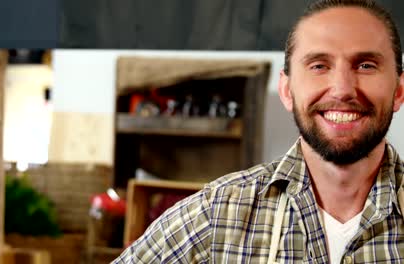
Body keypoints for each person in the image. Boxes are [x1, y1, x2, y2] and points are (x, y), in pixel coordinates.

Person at [113, 0, 404, 263]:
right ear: (287, 90)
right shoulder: (217, 214)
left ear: (399, 90)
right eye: (319, 65)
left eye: (366, 65)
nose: (342, 89)